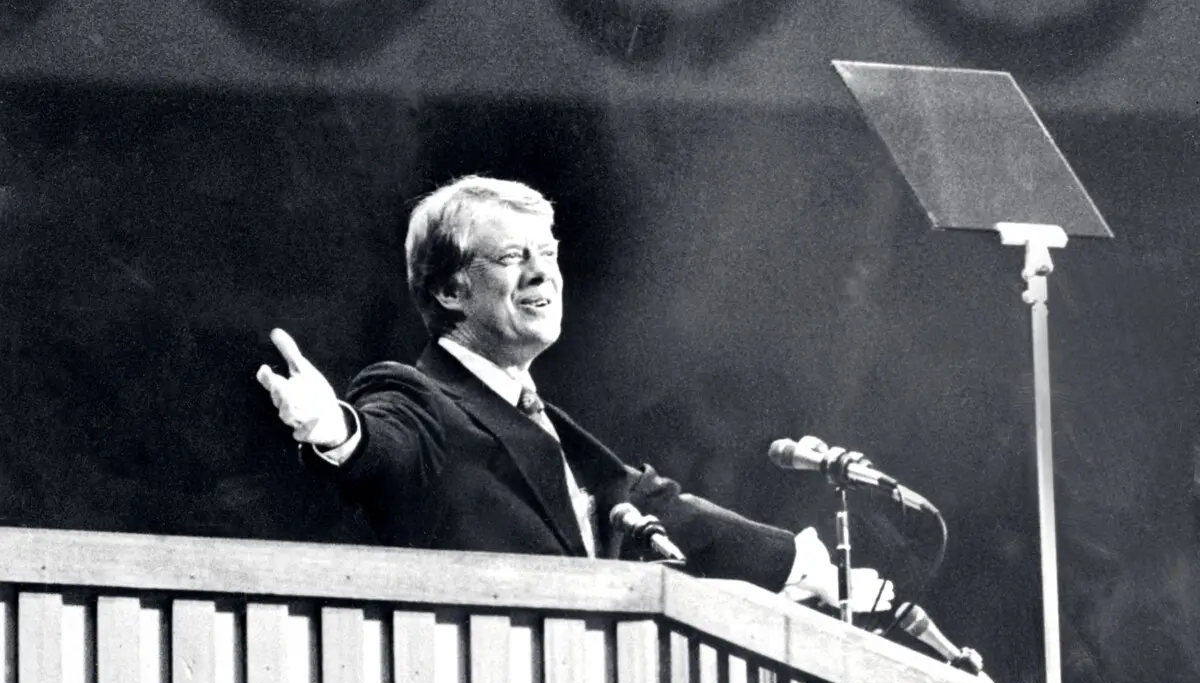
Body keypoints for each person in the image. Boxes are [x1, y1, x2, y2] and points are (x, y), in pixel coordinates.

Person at [257, 175, 891, 608]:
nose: (542, 273)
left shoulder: (544, 422)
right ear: (450, 291)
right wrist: (334, 430)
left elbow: (662, 512)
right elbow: (381, 443)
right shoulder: (417, 396)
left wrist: (813, 571)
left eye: (548, 252)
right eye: (510, 257)